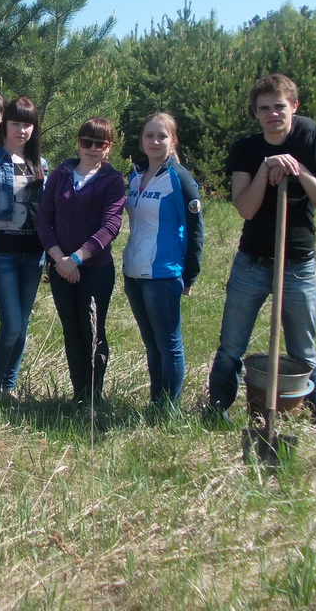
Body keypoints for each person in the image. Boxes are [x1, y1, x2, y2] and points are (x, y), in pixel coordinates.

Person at [207, 74, 316, 429]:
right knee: (231, 345)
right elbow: (245, 209)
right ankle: (216, 409)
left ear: (293, 107)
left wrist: (299, 173)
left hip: (297, 263)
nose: (273, 114)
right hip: (251, 262)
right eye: (264, 108)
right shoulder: (246, 149)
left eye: (279, 106)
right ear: (255, 113)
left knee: (303, 350)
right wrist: (266, 168)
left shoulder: (311, 136)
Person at [37, 117, 126, 407]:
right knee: (72, 331)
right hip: (59, 266)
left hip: (96, 270)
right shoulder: (62, 173)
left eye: (100, 143)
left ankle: (93, 398)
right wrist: (60, 259)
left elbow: (110, 226)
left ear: (109, 147)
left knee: (92, 332)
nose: (92, 148)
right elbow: (43, 220)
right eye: (86, 141)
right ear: (78, 142)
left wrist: (76, 258)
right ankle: (79, 395)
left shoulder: (112, 180)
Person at [122, 112, 204, 411]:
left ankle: (168, 409)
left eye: (162, 136)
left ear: (173, 141)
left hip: (164, 274)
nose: (155, 141)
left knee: (169, 345)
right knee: (152, 344)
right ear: (141, 140)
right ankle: (156, 402)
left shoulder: (179, 178)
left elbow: (195, 230)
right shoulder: (135, 174)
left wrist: (190, 274)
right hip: (133, 271)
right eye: (149, 135)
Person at [0, 97, 47, 401]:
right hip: (2, 256)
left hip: (34, 256)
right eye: (16, 123)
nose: (21, 130)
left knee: (24, 325)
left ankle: (9, 385)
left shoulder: (41, 165)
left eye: (27, 124)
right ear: (6, 125)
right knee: (12, 324)